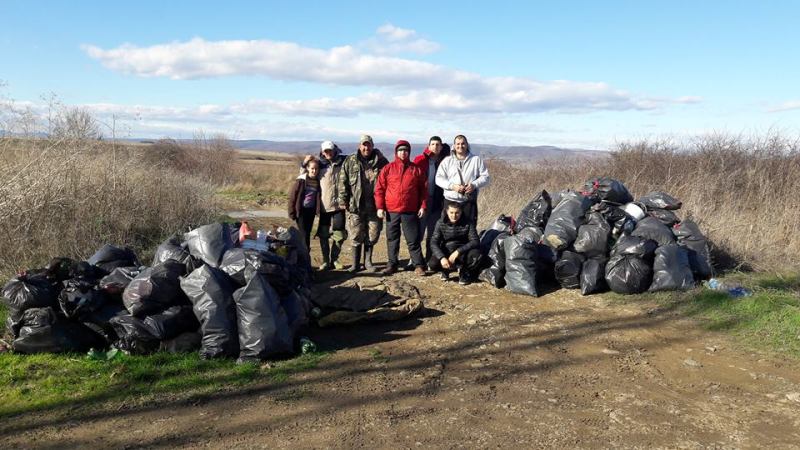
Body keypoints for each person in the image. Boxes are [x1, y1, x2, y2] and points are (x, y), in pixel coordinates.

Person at [374, 140, 427, 276]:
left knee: (413, 239)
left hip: (409, 210)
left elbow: (423, 190)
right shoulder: (388, 168)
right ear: (396, 152)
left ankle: (419, 265)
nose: (403, 153)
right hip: (392, 210)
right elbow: (379, 189)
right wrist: (380, 207)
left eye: (405, 150)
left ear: (409, 152)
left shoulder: (416, 169)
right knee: (392, 239)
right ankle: (392, 264)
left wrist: (423, 205)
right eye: (400, 150)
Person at [338, 134, 389, 273]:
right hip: (355, 205)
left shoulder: (381, 162)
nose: (366, 147)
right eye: (364, 145)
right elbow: (343, 181)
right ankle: (355, 264)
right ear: (359, 146)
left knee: (372, 235)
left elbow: (390, 178)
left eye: (369, 145)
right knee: (356, 234)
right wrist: (342, 199)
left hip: (374, 206)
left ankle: (368, 262)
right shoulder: (350, 161)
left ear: (372, 146)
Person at [302, 141, 348, 270]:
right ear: (322, 152)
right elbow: (305, 174)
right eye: (325, 151)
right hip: (324, 205)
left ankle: (335, 259)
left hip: (339, 205)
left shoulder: (343, 162)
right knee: (323, 234)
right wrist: (304, 163)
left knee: (339, 235)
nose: (328, 153)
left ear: (335, 150)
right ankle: (326, 260)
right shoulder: (319, 165)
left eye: (330, 150)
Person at [435, 135, 490, 225]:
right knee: (447, 230)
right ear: (454, 145)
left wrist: (474, 185)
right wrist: (452, 186)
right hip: (450, 201)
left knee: (469, 230)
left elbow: (486, 177)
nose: (460, 146)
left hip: (468, 202)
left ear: (467, 145)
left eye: (463, 144)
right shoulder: (447, 161)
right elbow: (438, 179)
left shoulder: (476, 160)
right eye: (458, 144)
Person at [412, 136, 451, 266]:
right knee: (419, 233)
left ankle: (429, 259)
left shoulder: (444, 161)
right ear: (428, 146)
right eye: (433, 144)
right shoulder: (420, 160)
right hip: (422, 202)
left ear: (441, 147)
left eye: (438, 144)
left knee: (433, 234)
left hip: (437, 202)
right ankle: (415, 260)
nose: (435, 147)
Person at [428, 202, 483, 285]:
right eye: (451, 213)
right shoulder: (440, 222)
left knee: (476, 255)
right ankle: (445, 270)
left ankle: (464, 272)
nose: (454, 216)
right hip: (446, 250)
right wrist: (442, 257)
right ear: (447, 212)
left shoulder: (468, 222)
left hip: (463, 252)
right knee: (432, 264)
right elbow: (433, 242)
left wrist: (458, 252)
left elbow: (475, 241)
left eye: (457, 213)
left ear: (461, 212)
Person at [288, 158, 321, 253]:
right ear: (308, 168)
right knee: (304, 234)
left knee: (307, 233)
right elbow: (293, 196)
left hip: (310, 211)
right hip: (301, 211)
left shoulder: (317, 182)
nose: (314, 171)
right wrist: (291, 212)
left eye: (316, 169)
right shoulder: (301, 180)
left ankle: (303, 254)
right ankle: (305, 254)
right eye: (312, 168)